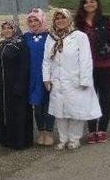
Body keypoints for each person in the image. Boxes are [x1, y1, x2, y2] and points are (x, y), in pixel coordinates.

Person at [43, 9, 102, 150]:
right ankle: (63, 139)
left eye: (63, 18)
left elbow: (86, 59)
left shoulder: (79, 36)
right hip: (57, 80)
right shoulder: (51, 38)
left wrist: (85, 80)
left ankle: (74, 139)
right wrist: (46, 78)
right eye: (57, 18)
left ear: (69, 20)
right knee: (60, 111)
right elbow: (46, 60)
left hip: (74, 80)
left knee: (76, 111)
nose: (60, 21)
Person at [74, 0, 110, 144]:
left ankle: (102, 129)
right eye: (86, 2)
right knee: (88, 98)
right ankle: (91, 130)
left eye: (92, 1)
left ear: (97, 3)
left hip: (105, 65)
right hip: (87, 68)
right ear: (82, 5)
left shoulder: (107, 20)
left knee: (105, 98)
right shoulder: (79, 23)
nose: (89, 4)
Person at [0, 21, 33, 149]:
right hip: (4, 85)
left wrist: (21, 84)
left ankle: (19, 140)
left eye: (9, 28)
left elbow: (24, 65)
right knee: (6, 112)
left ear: (15, 29)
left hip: (16, 84)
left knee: (18, 112)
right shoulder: (2, 44)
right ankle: (6, 138)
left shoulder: (20, 44)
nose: (6, 30)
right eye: (4, 28)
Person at [24, 8, 55, 146]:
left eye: (36, 20)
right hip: (32, 76)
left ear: (42, 20)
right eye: (30, 20)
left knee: (48, 104)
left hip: (48, 75)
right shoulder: (26, 37)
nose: (33, 23)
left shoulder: (50, 36)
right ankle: (41, 131)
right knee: (37, 105)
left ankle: (49, 132)